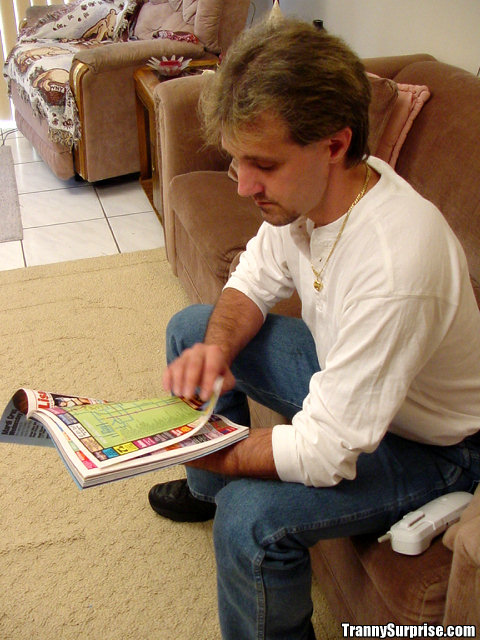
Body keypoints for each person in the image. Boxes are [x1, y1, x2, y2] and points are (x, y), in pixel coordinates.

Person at [148, 17, 480, 640]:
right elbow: (252, 279)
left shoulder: (395, 264)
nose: (244, 186)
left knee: (250, 515)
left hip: (437, 447)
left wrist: (208, 448)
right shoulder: (311, 199)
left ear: (334, 144)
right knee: (194, 330)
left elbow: (326, 452)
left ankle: (217, 491)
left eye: (263, 165)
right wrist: (215, 351)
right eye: (237, 162)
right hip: (352, 377)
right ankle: (204, 490)